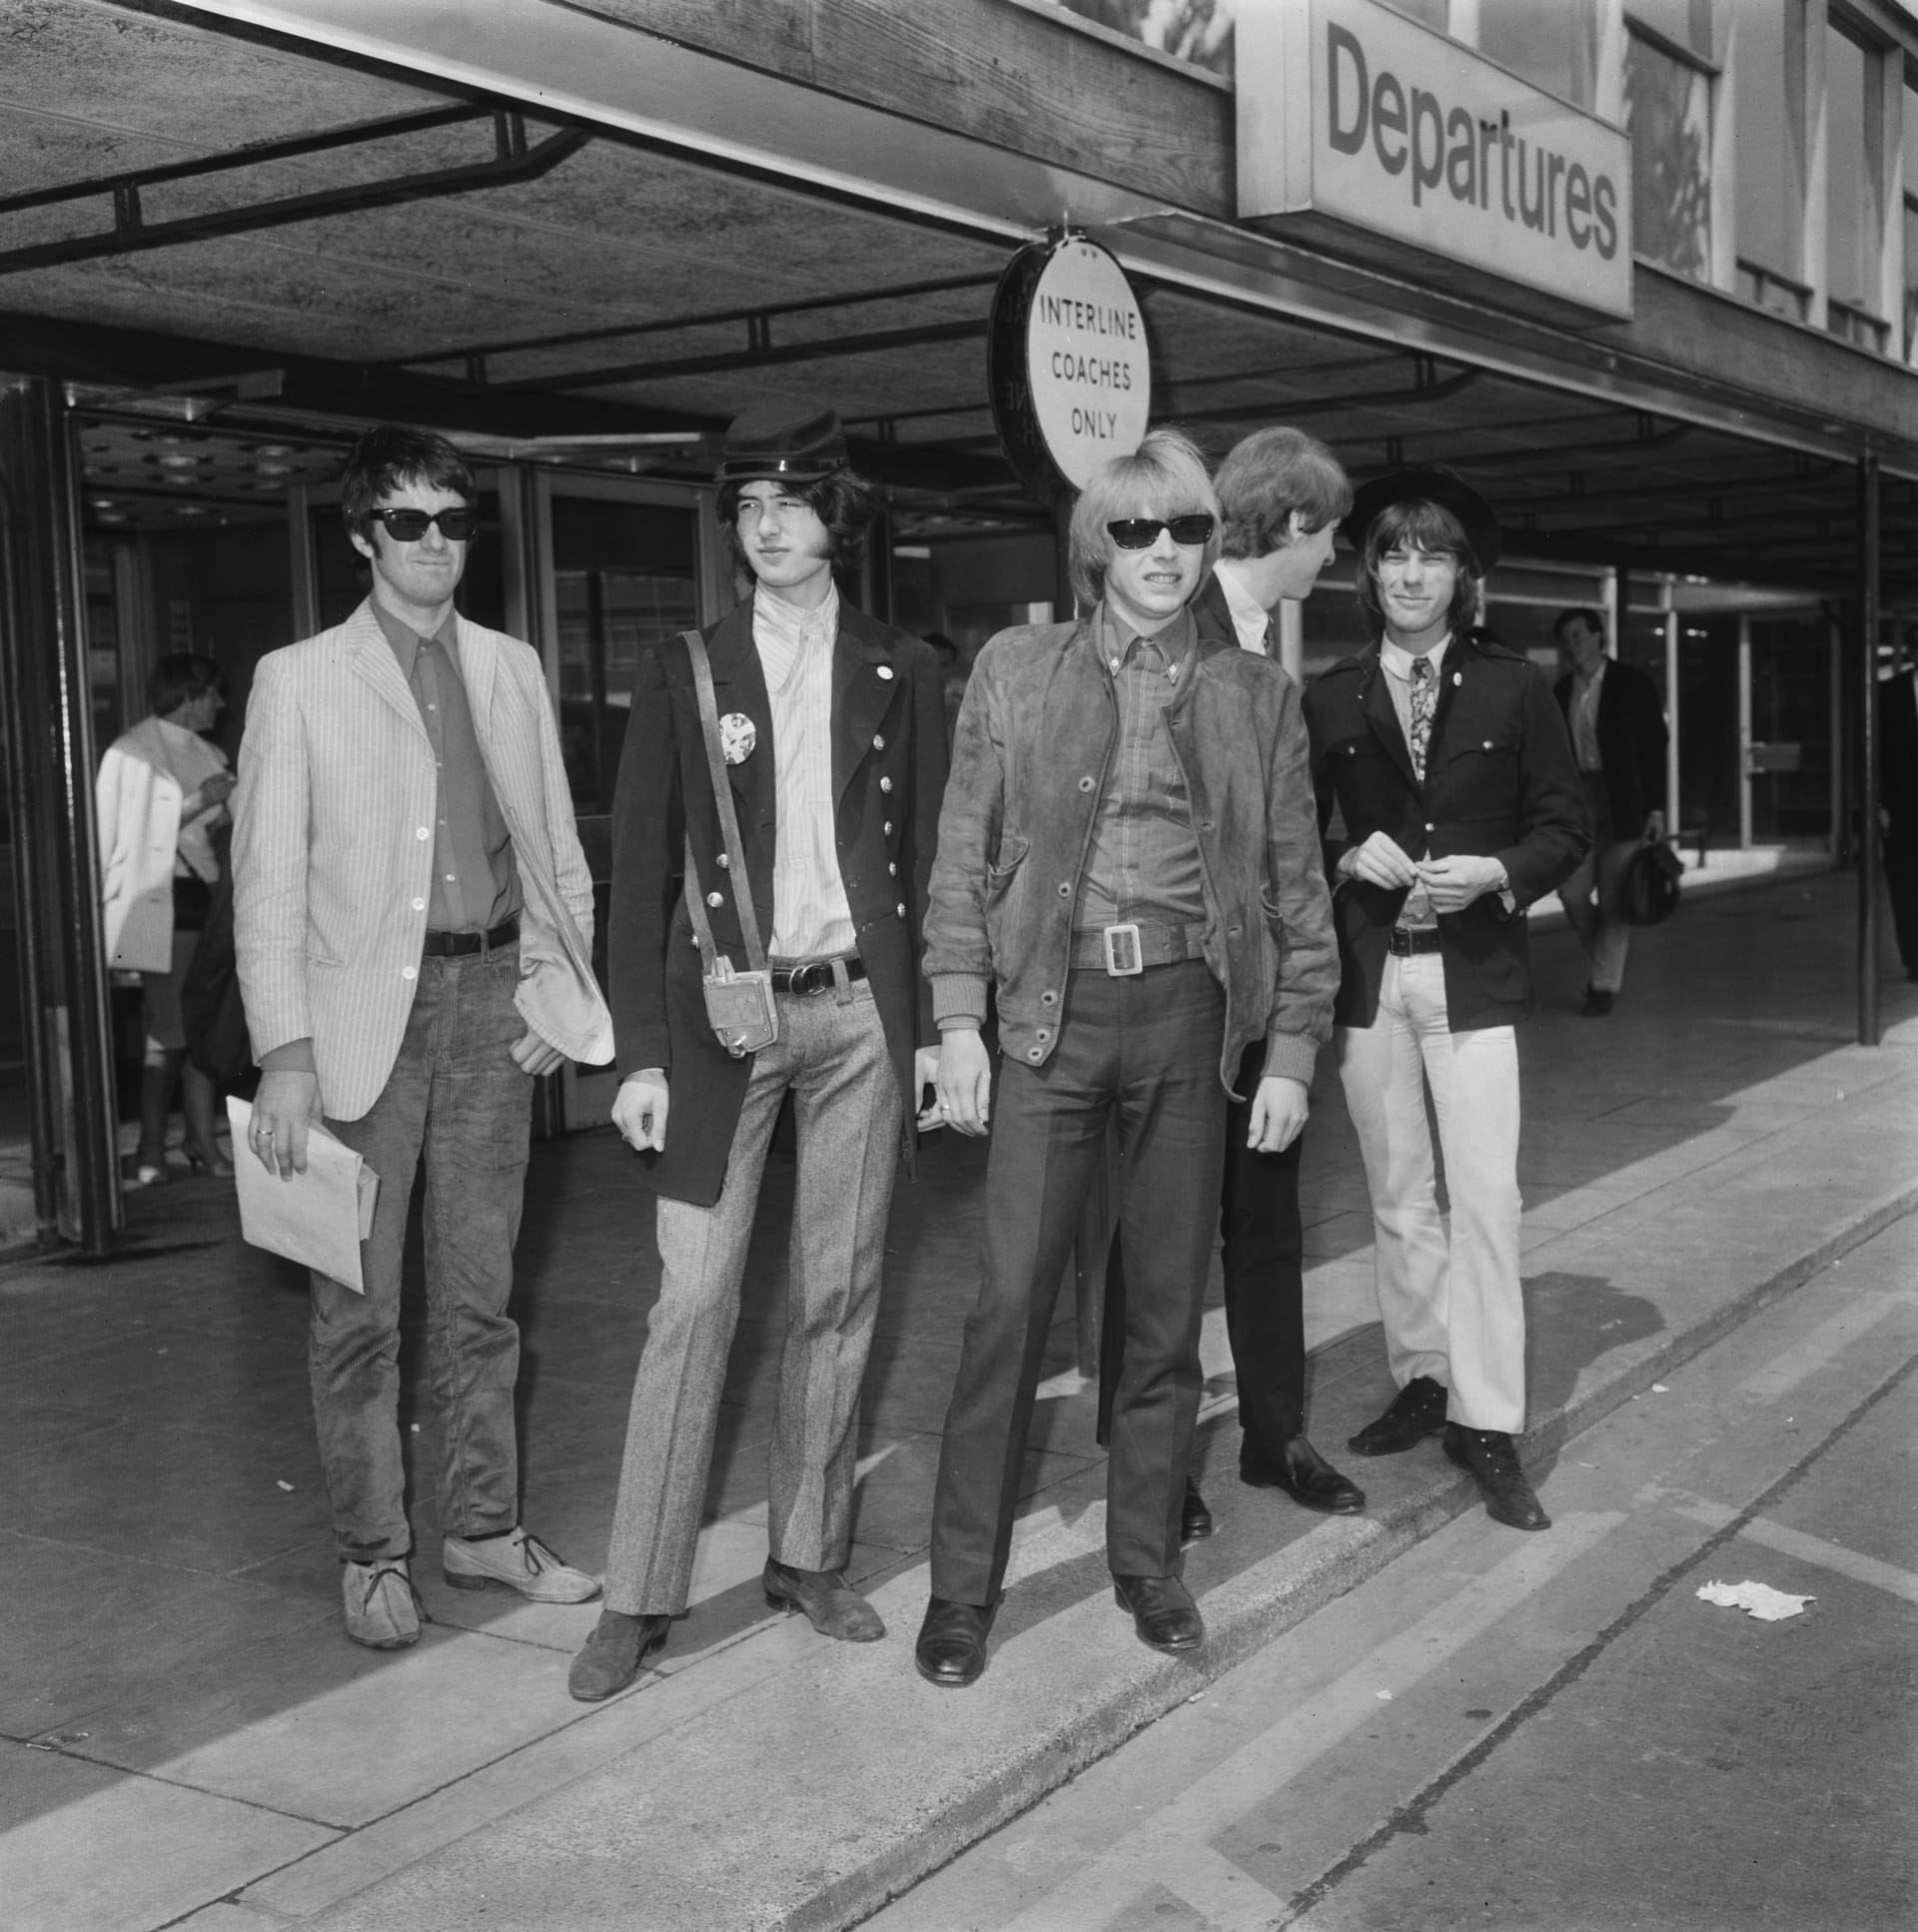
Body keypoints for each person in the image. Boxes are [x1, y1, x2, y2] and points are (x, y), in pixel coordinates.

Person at [916, 428, 1340, 1689]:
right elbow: (961, 859)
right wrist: (954, 1020)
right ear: (1096, 543)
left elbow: (1296, 890)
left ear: (1217, 543)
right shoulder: (1015, 667)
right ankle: (959, 1589)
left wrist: (1295, 1052)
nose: (1164, 553)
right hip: (1050, 1018)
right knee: (1009, 1308)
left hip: (1190, 1022)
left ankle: (1147, 1559)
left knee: (1163, 1315)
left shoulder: (1257, 695)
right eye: (1138, 530)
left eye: (1190, 530)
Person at [569, 405, 948, 1702]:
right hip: (720, 1024)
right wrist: (636, 1055)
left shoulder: (906, 668)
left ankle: (808, 1552)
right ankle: (639, 1589)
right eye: (748, 504)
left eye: (792, 500)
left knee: (836, 1295)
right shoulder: (686, 669)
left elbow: (940, 868)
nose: (770, 522)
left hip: (862, 1019)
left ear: (837, 519)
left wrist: (945, 1029)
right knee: (696, 1298)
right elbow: (634, 878)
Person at [234, 426, 610, 1650]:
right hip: (358, 1030)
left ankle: (484, 1528)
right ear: (363, 536)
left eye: (454, 519)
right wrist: (285, 1051)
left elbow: (553, 846)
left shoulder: (509, 665)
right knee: (356, 1310)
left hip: (493, 1002)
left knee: (482, 1296)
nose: (437, 541)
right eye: (410, 521)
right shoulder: (298, 679)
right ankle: (371, 1549)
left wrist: (554, 982)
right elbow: (265, 883)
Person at [1303, 466, 1586, 1533]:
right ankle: (1423, 1374)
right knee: (1396, 1192)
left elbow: (1566, 824)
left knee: (1488, 1197)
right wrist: (1341, 853)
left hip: (1474, 974)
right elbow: (1298, 830)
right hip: (1373, 977)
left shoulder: (1516, 687)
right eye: (1392, 553)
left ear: (1464, 575)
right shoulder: (1331, 694)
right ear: (1368, 573)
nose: (1411, 571)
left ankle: (1488, 1416)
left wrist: (1500, 874)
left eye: (1433, 554)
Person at [1096, 426, 1364, 1533]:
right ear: (1295, 524)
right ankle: (1151, 1456)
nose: (1336, 556)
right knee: (1160, 1231)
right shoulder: (1172, 627)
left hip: (1260, 993)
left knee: (1264, 1218)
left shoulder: (1266, 644)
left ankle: (1272, 1432)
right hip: (1175, 989)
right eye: (1332, 532)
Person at [99, 652, 237, 1184]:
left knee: (198, 1025)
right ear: (189, 694)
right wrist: (201, 800)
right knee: (172, 1028)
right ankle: (156, 1148)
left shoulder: (208, 750)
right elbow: (120, 835)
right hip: (158, 902)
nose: (220, 705)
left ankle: (193, 1141)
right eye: (212, 695)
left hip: (209, 898)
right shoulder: (131, 752)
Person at [1551, 606, 1669, 1015]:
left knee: (1616, 896)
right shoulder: (1561, 691)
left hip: (1625, 799)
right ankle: (1609, 960)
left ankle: (1602, 986)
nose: (1572, 645)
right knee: (1572, 891)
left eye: (1579, 635)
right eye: (1565, 639)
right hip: (1577, 800)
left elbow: (1655, 748)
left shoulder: (1632, 684)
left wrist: (1656, 807)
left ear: (1600, 637)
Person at [1875, 653, 1918, 981]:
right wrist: (1878, 806)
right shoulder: (1888, 694)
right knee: (1906, 886)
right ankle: (1914, 959)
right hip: (1903, 811)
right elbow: (1873, 754)